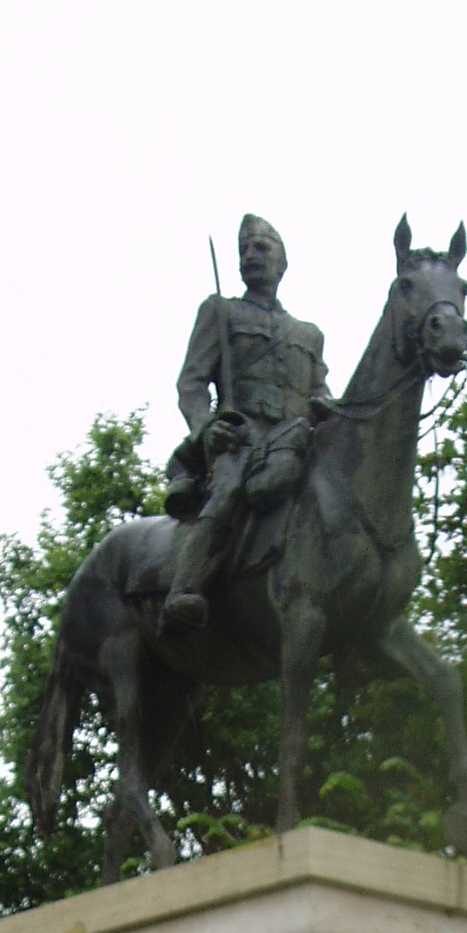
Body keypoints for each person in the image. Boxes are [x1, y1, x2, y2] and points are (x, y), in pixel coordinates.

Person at [160, 215, 331, 637]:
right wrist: (205, 428)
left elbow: (320, 393)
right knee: (229, 490)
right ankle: (185, 588)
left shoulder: (309, 334)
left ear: (283, 262)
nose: (251, 255)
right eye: (244, 250)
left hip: (294, 443)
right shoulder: (220, 311)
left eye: (261, 247)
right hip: (241, 441)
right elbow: (191, 384)